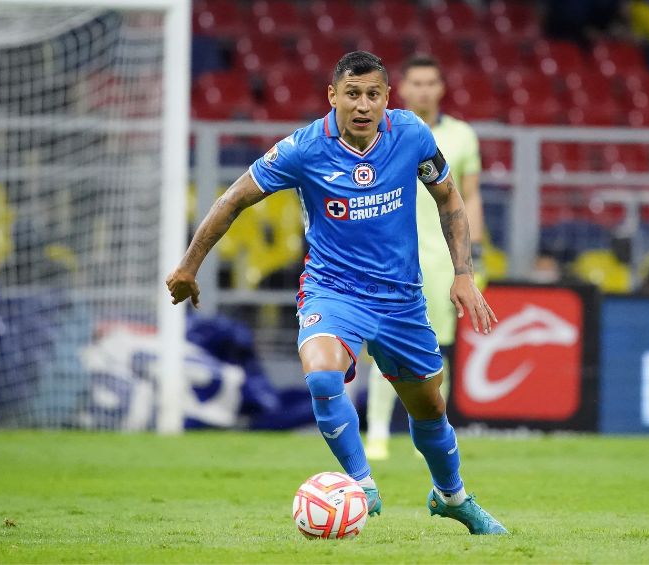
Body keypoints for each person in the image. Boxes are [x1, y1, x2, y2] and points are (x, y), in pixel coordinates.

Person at [166, 51, 507, 535]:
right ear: (333, 96)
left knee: (430, 409)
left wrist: (463, 273)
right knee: (323, 376)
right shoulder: (304, 149)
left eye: (373, 94)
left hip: (401, 299)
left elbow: (448, 196)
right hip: (333, 291)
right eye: (352, 94)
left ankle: (451, 496)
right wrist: (189, 265)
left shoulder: (410, 134)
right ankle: (362, 485)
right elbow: (234, 197)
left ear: (388, 97)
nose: (363, 105)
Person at [364, 55, 485, 462]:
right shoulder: (382, 131)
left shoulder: (463, 136)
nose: (423, 90)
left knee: (436, 348)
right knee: (383, 344)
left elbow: (468, 197)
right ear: (403, 88)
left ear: (441, 88)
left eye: (431, 82)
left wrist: (473, 260)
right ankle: (377, 433)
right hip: (389, 256)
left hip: (441, 258)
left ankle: (430, 436)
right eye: (415, 83)